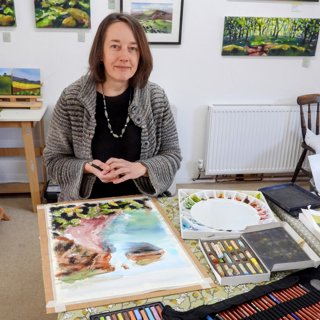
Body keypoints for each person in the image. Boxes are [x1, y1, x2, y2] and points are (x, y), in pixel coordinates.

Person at [43, 12, 181, 202]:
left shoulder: (155, 97)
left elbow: (172, 155)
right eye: (115, 46)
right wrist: (86, 167)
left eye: (133, 48)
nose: (125, 56)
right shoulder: (72, 98)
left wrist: (141, 168)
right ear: (100, 52)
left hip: (143, 207)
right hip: (86, 207)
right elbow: (53, 160)